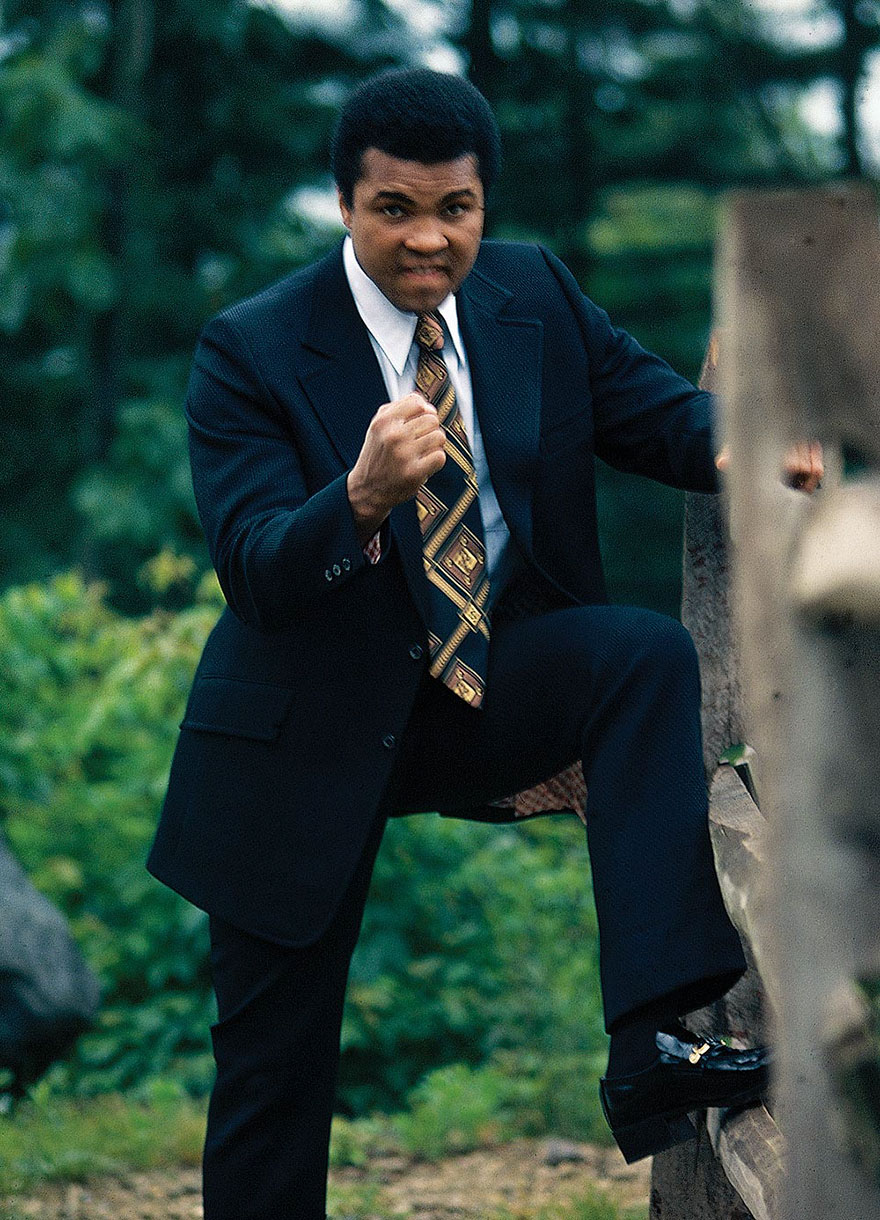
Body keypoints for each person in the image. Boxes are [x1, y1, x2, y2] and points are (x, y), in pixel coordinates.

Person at [146, 67, 822, 1219]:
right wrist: (355, 498)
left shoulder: (533, 295)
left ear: (483, 206)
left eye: (452, 209)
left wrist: (764, 435)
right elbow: (257, 568)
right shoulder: (249, 348)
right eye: (393, 209)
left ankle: (652, 1037)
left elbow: (653, 410)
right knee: (273, 1073)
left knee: (638, 653)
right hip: (295, 736)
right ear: (345, 205)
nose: (426, 239)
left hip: (470, 697)